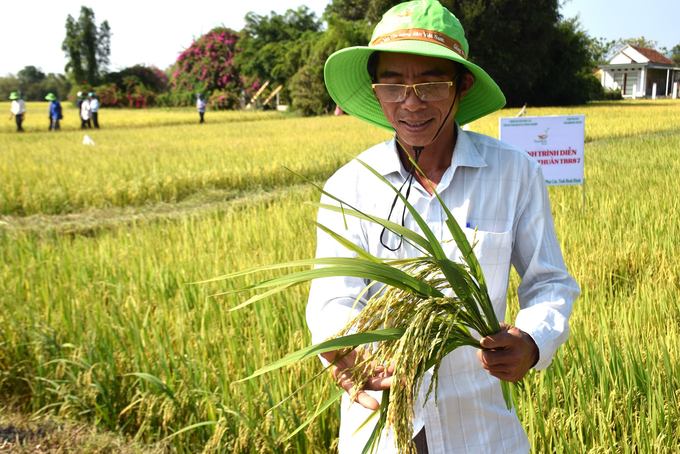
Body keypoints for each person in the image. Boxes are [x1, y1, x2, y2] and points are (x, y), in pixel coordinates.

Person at [306, 1, 580, 453]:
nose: (410, 104)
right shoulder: (349, 187)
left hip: (482, 426)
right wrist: (345, 348)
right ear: (376, 93)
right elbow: (332, 296)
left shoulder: (514, 173)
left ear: (461, 85)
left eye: (430, 85)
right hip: (381, 425)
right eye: (392, 87)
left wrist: (532, 341)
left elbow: (549, 281)